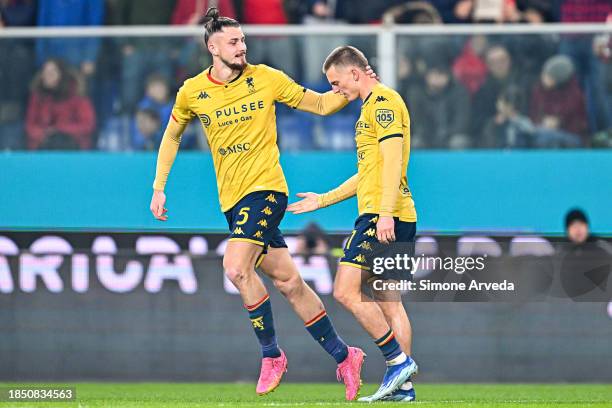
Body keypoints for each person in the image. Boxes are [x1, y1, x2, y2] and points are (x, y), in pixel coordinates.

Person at [149, 8, 377, 400]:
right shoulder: (191, 91)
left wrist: (357, 88)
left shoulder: (266, 78)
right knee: (289, 282)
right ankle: (344, 355)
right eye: (234, 42)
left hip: (267, 190)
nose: (243, 47)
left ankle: (271, 354)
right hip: (233, 201)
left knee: (235, 267)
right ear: (212, 46)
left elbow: (319, 106)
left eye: (243, 40)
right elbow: (171, 137)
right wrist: (158, 187)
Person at [288, 46, 419, 402]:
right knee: (390, 303)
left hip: (383, 215)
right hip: (390, 211)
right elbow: (368, 173)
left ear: (355, 73)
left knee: (345, 290)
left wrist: (386, 213)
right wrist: (323, 199)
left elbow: (393, 163)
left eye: (336, 82)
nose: (335, 90)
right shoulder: (369, 110)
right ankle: (402, 389)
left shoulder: (384, 103)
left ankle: (397, 362)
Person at [25, 58, 96, 150]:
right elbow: (30, 125)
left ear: (61, 75)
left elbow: (87, 125)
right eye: (45, 72)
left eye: (52, 73)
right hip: (43, 146)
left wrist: (60, 130)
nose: (47, 76)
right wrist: (44, 133)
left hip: (72, 147)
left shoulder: (77, 95)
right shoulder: (37, 96)